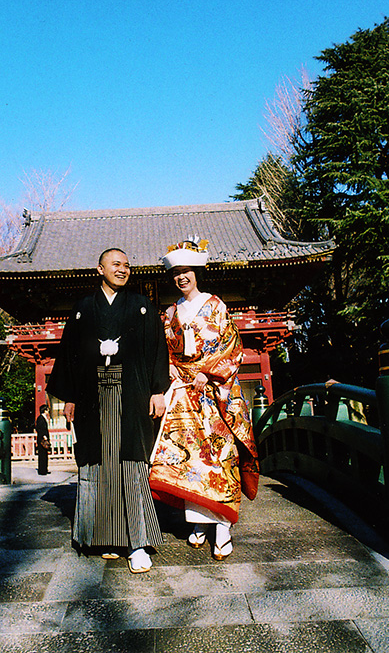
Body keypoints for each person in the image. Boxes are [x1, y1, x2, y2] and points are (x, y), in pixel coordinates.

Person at [47, 248, 168, 573]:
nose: (123, 269)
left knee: (130, 462)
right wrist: (69, 396)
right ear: (99, 269)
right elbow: (70, 356)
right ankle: (107, 537)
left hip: (132, 394)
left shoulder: (142, 306)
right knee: (98, 461)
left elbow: (158, 349)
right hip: (91, 397)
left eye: (127, 265)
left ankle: (138, 544)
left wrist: (158, 390)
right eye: (116, 264)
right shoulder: (83, 310)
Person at [149, 237, 259, 560]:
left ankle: (222, 529)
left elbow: (231, 347)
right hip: (184, 395)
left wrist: (208, 373)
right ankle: (198, 523)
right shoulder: (169, 314)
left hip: (215, 396)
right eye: (176, 273)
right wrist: (170, 368)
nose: (182, 277)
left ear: (197, 272)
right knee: (190, 461)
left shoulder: (217, 306)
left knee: (220, 458)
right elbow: (163, 352)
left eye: (187, 271)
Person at [35, 404, 51, 475]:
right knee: (42, 454)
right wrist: (44, 436)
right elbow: (40, 428)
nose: (48, 411)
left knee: (45, 454)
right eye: (47, 409)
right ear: (44, 410)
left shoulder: (44, 418)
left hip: (44, 437)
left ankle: (45, 469)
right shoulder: (40, 418)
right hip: (42, 439)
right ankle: (42, 470)